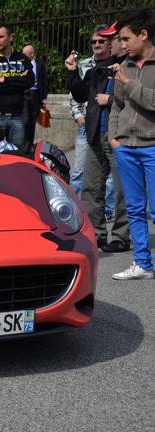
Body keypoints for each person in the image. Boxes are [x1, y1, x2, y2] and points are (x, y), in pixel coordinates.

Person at [66, 24, 131, 253]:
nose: (99, 45)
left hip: (119, 136)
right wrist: (72, 71)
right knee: (90, 188)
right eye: (95, 41)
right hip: (94, 134)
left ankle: (122, 236)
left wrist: (110, 99)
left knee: (123, 190)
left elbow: (136, 98)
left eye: (104, 41)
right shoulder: (97, 68)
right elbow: (82, 94)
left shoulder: (129, 66)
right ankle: (96, 234)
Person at [107, 9, 155, 280]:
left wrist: (129, 83)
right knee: (134, 209)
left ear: (144, 34)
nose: (122, 45)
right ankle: (143, 265)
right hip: (125, 147)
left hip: (153, 147)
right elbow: (117, 106)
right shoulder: (124, 65)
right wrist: (113, 138)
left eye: (126, 38)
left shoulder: (127, 72)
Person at [0, 24, 35, 149]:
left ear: (10, 37)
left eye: (1, 37)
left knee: (16, 154)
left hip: (17, 115)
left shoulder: (22, 59)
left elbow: (30, 82)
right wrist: (18, 81)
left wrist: (5, 79)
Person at [21, 45, 49, 148]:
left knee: (32, 121)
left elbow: (44, 81)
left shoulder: (39, 64)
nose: (23, 55)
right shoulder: (20, 64)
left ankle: (29, 144)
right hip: (24, 95)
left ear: (32, 54)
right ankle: (23, 143)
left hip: (35, 96)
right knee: (26, 119)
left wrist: (44, 97)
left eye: (25, 53)